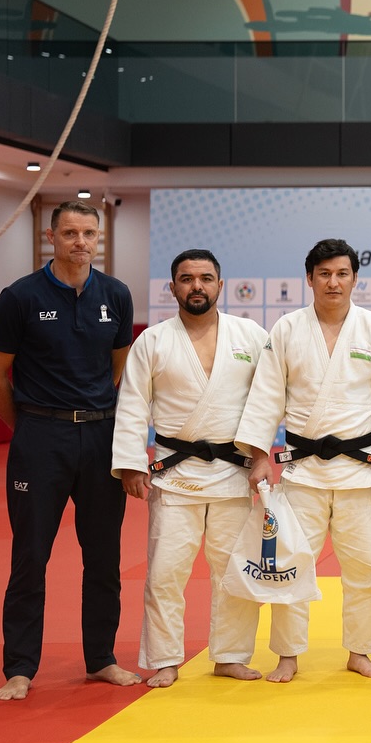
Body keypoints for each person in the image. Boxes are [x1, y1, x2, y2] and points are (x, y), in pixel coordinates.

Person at [235, 238, 371, 682]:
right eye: (324, 274)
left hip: (359, 469)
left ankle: (361, 650)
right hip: (303, 470)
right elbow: (266, 396)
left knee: (365, 569)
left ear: (355, 279)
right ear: (310, 278)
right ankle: (288, 654)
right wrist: (259, 456)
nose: (333, 282)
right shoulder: (287, 329)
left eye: (342, 274)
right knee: (290, 564)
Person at [0, 200, 140, 701]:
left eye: (88, 233)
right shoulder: (20, 297)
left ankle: (101, 659)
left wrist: (92, 415)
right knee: (30, 556)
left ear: (98, 238)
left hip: (99, 438)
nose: (80, 242)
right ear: (52, 237)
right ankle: (20, 668)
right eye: (70, 233)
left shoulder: (116, 294)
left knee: (105, 556)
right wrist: (28, 427)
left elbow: (117, 368)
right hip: (40, 439)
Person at [111, 249, 269, 687]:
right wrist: (131, 463)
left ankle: (230, 655)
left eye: (205, 278)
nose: (196, 286)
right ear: (173, 287)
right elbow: (132, 404)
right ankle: (165, 658)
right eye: (186, 279)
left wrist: (261, 455)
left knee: (234, 571)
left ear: (220, 285)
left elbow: (269, 399)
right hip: (175, 474)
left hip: (233, 472)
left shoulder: (250, 335)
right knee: (165, 573)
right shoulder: (153, 341)